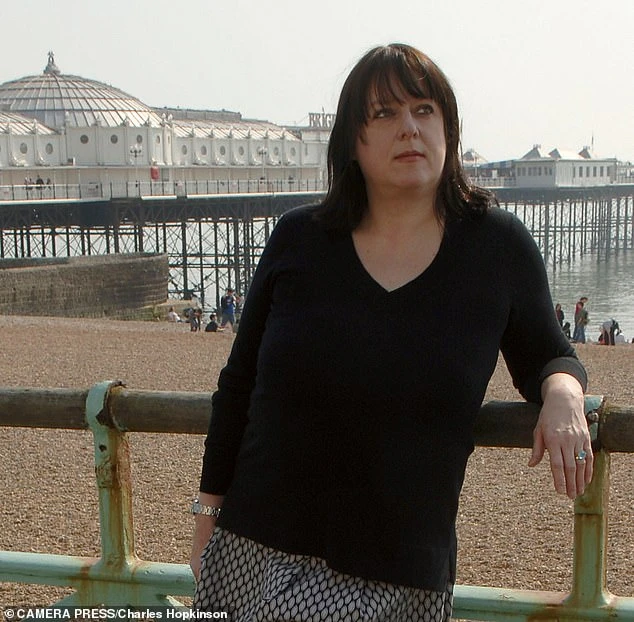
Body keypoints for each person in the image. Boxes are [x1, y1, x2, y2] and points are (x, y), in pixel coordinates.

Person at [190, 44, 592, 621]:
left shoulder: (496, 249)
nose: (409, 128)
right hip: (256, 546)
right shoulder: (298, 240)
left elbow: (550, 353)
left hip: (400, 571)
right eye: (384, 114)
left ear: (448, 129)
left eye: (424, 110)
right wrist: (206, 518)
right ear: (353, 141)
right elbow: (237, 386)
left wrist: (564, 395)